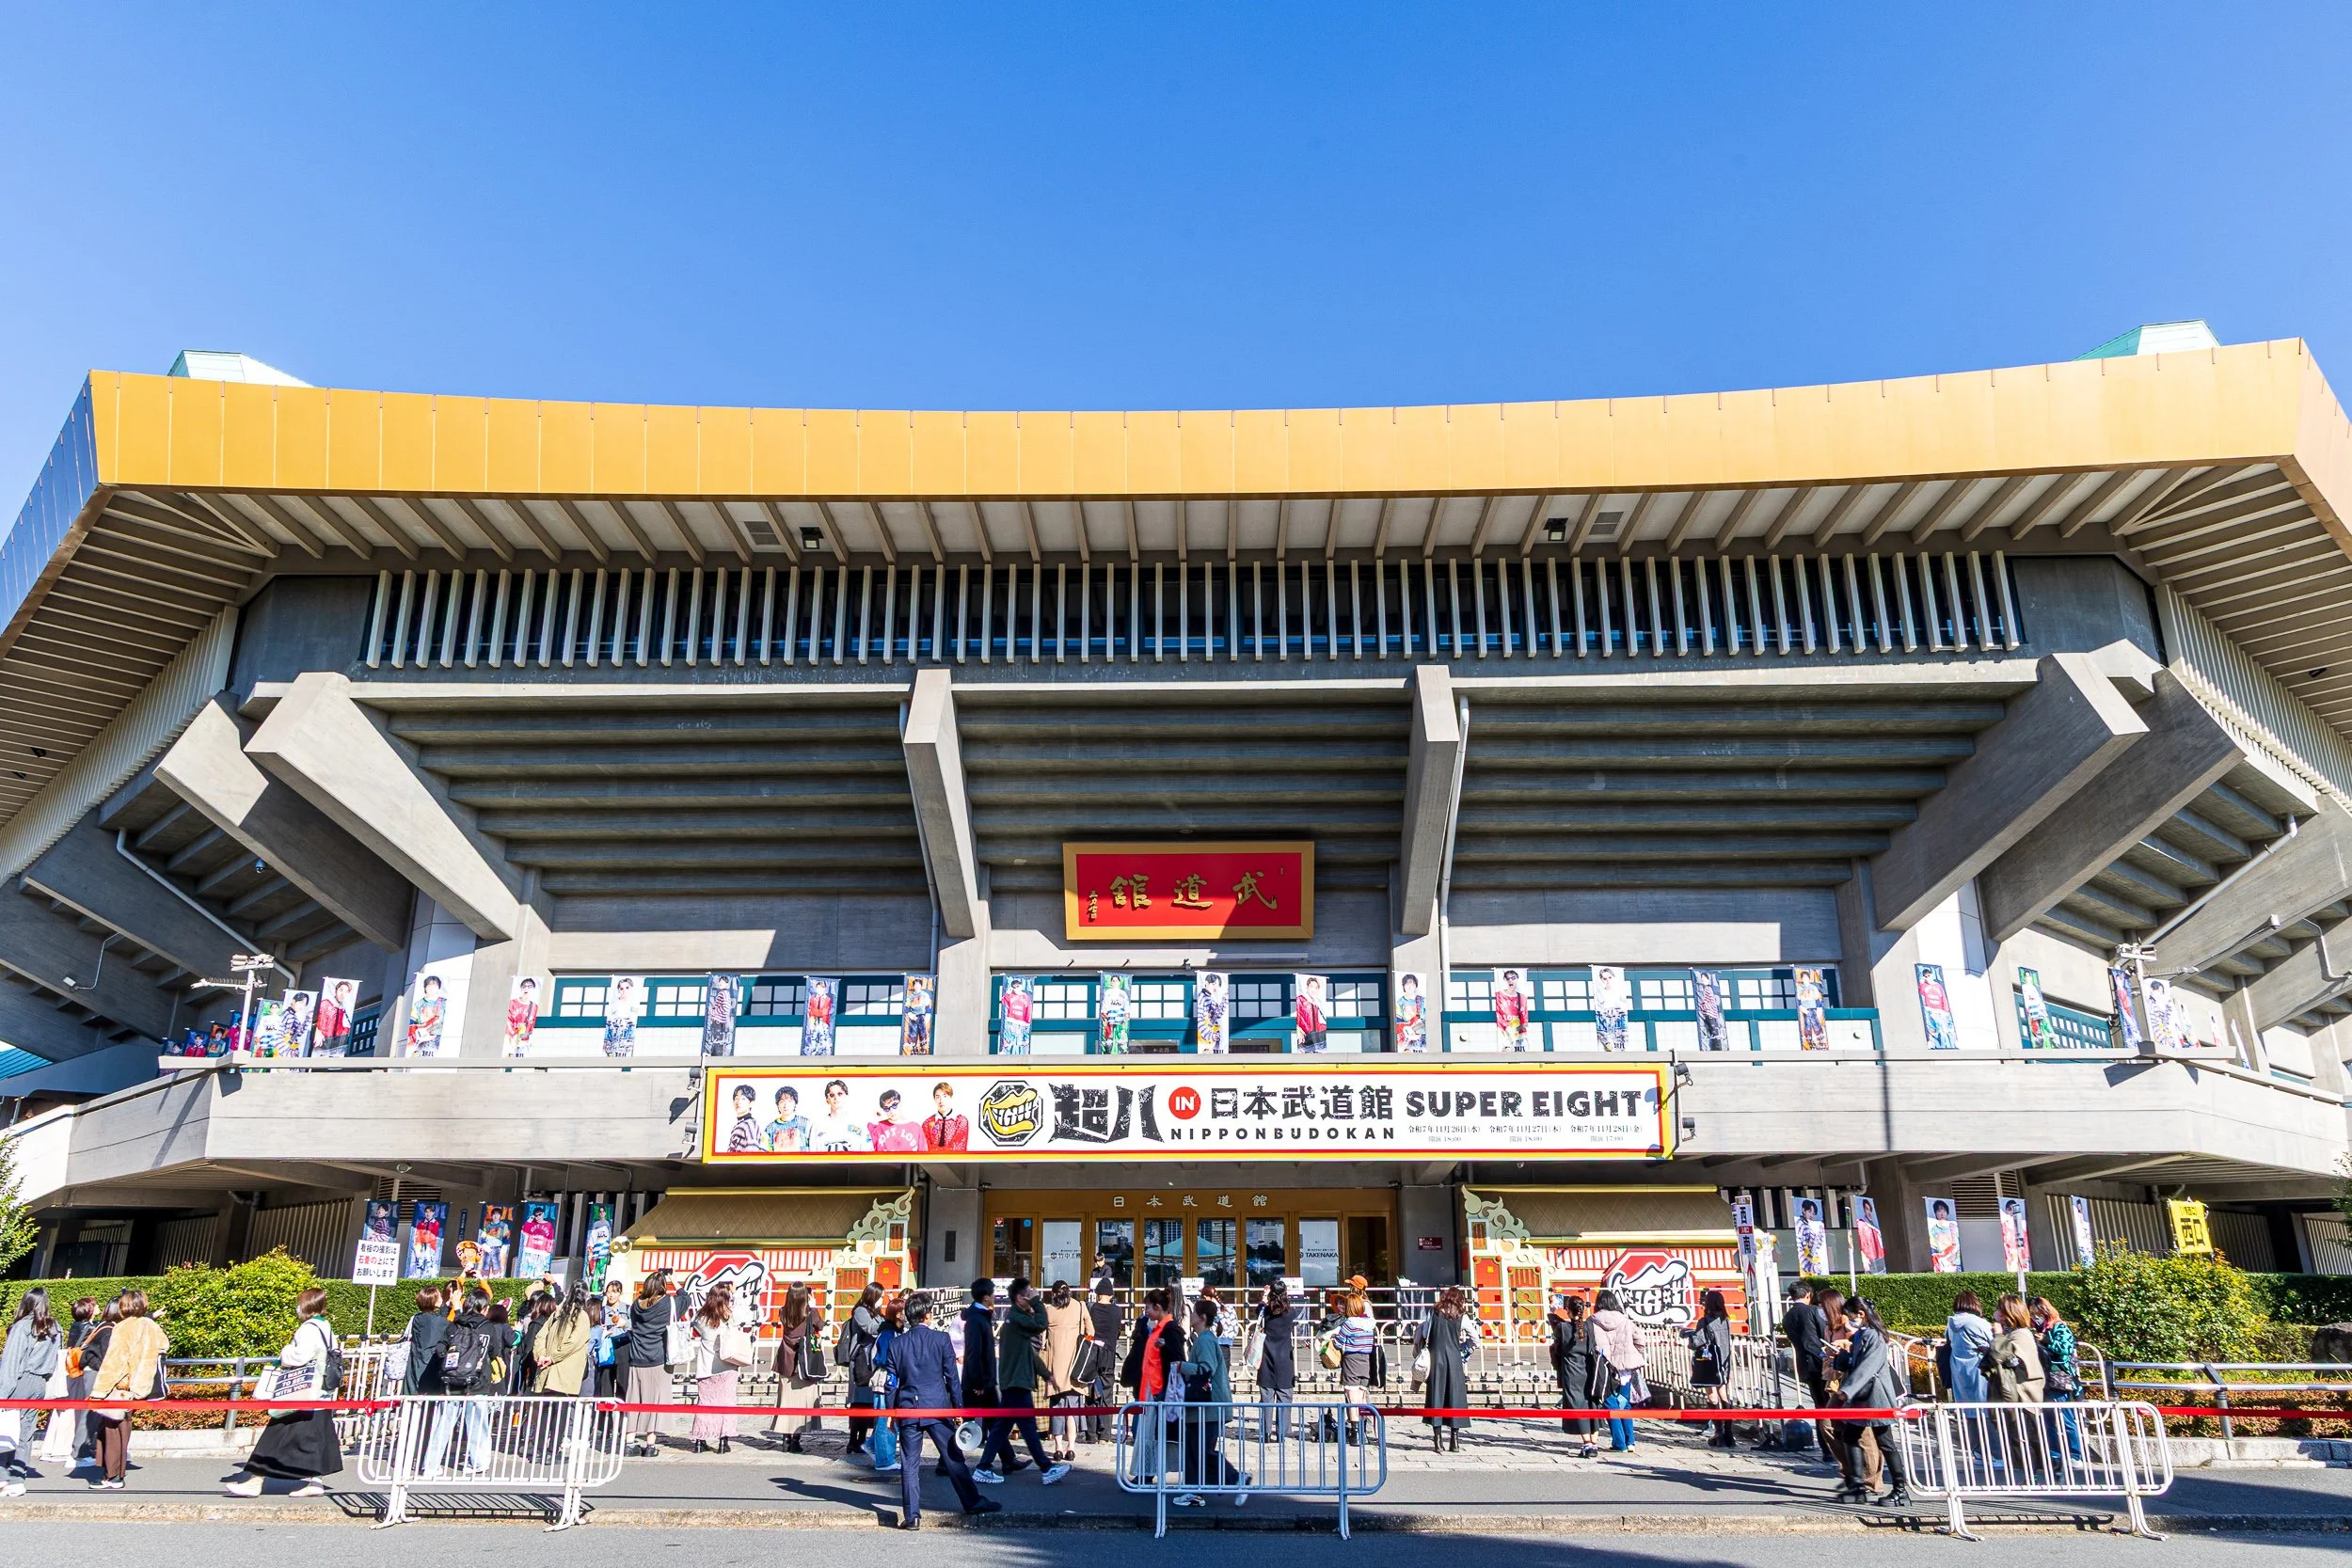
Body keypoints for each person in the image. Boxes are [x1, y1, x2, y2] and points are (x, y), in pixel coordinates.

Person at [883, 1291, 1003, 1528]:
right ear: (928, 1315)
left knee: (909, 1462)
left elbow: (891, 1382)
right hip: (937, 1405)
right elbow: (952, 1378)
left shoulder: (897, 1344)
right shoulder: (941, 1340)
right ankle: (972, 1501)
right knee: (953, 1457)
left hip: (908, 1406)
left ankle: (912, 1515)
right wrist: (959, 1408)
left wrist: (891, 1411)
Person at [226, 1286, 342, 1497]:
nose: (297, 1308)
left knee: (274, 1435)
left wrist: (285, 1351)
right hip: (320, 1394)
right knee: (316, 1440)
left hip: (301, 1392)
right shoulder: (326, 1327)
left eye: (299, 1303)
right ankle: (316, 1483)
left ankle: (255, 1480)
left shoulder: (308, 1329)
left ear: (306, 1305)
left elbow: (299, 1356)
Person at [977, 1277, 1066, 1483]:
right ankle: (1046, 1468)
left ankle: (983, 1466)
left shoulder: (1015, 1320)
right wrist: (1037, 1302)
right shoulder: (1017, 1318)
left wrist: (1046, 1374)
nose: (1033, 1296)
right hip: (1017, 1382)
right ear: (1019, 1298)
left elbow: (1030, 1354)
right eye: (1029, 1294)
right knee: (1027, 1428)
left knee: (1001, 1429)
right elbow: (1042, 1324)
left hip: (1015, 1381)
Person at [1830, 1297, 1912, 1509]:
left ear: (1861, 1314)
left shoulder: (1874, 1336)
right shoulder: (1863, 1335)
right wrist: (1843, 1358)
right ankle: (1857, 1487)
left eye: (1850, 1315)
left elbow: (1868, 1367)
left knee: (1885, 1441)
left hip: (1875, 1396)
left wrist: (1845, 1392)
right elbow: (1857, 1363)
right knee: (1850, 1436)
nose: (1848, 1320)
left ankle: (1900, 1491)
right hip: (1862, 1396)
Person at [88, 1290, 169, 1490]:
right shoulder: (151, 1325)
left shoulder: (123, 1328)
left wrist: (99, 1391)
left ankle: (112, 1475)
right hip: (140, 1386)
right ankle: (116, 1474)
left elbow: (114, 1362)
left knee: (111, 1428)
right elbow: (164, 1346)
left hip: (120, 1385)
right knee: (124, 1428)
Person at [1173, 1296, 1248, 1506]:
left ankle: (1235, 1478)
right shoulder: (1204, 1338)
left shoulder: (1205, 1340)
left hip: (1207, 1406)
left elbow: (1206, 1369)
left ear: (1203, 1317)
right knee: (1196, 1451)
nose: (1191, 1317)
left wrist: (1182, 1366)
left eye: (1194, 1313)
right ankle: (1196, 1491)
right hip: (1205, 1407)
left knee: (1201, 1451)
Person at [423, 1288, 500, 1477]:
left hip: (452, 1382)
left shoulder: (455, 1325)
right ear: (485, 1308)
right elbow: (494, 1352)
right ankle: (477, 1464)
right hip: (477, 1381)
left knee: (443, 1423)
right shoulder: (488, 1327)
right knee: (477, 1424)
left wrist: (450, 1363)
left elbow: (440, 1348)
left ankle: (431, 1466)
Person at [0, 1287, 61, 1493]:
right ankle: (18, 1479)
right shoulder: (55, 1327)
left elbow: (11, 1362)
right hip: (39, 1383)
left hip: (20, 1380)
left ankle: (3, 1475)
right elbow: (53, 1361)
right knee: (25, 1431)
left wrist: (3, 1394)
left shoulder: (22, 1327)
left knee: (6, 1430)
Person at [1585, 1289, 1645, 1453]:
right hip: (1625, 1368)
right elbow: (1640, 1340)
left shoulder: (1592, 1320)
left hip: (1605, 1368)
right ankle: (1630, 1441)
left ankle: (1619, 1443)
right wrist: (1634, 1355)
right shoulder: (1625, 1320)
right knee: (1625, 1404)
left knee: (1610, 1404)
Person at [626, 1272, 677, 1458]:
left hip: (636, 1358)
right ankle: (650, 1444)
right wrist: (673, 1278)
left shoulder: (635, 1306)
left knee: (634, 1400)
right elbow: (685, 1298)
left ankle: (629, 1442)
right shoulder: (667, 1304)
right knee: (654, 1401)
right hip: (657, 1359)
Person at [689, 1282, 744, 1454]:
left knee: (704, 1403)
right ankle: (723, 1441)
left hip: (706, 1366)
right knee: (726, 1403)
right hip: (726, 1366)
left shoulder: (701, 1317)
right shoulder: (729, 1317)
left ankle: (699, 1440)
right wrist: (735, 1297)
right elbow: (744, 1316)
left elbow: (695, 1325)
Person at [770, 1281, 824, 1450]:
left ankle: (785, 1439)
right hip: (804, 1360)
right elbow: (821, 1326)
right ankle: (796, 1441)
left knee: (786, 1401)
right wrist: (813, 1306)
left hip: (785, 1358)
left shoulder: (783, 1312)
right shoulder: (810, 1313)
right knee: (802, 1402)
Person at [1417, 1286, 1470, 1452]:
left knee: (1436, 1397)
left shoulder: (1434, 1312)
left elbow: (1425, 1333)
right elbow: (1475, 1338)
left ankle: (1437, 1440)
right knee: (1456, 1397)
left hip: (1436, 1357)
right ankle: (1455, 1440)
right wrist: (1465, 1348)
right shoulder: (1461, 1315)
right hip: (1454, 1358)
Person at [1782, 1282, 1832, 1459]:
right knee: (1830, 1405)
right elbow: (1824, 1333)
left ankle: (1826, 1449)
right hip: (1821, 1362)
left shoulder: (1787, 1316)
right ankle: (1833, 1446)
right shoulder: (1813, 1312)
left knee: (1819, 1405)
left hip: (1804, 1364)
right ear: (1809, 1294)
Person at [2031, 1295, 2084, 1461]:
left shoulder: (2059, 1327)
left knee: (2067, 1417)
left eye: (2037, 1313)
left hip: (2060, 1377)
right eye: (2031, 1314)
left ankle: (2075, 1455)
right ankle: (2054, 1454)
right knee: (2048, 1419)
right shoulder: (2035, 1330)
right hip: (2044, 1377)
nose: (2035, 1317)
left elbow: (2066, 1349)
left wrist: (2047, 1340)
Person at [1041, 1279, 1089, 1461]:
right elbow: (1090, 1330)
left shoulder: (1049, 1311)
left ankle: (1058, 1448)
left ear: (1053, 1294)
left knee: (1057, 1408)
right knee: (1072, 1409)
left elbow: (1042, 1338)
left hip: (1055, 1369)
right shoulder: (1080, 1307)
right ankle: (1071, 1447)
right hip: (1075, 1368)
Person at [1683, 1288, 1736, 1449]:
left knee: (1712, 1396)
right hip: (1724, 1361)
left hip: (1709, 1363)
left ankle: (1718, 1433)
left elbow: (1698, 1342)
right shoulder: (1725, 1320)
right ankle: (1729, 1434)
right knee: (1724, 1394)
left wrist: (1689, 1336)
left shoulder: (1704, 1321)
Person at [1549, 1295, 1598, 1457]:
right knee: (1592, 1402)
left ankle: (1587, 1443)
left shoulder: (1563, 1328)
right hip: (1588, 1368)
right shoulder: (1589, 1326)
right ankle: (1594, 1441)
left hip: (1571, 1369)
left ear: (1568, 1311)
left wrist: (1551, 1310)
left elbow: (1557, 1348)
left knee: (1577, 1404)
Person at [841, 1281, 886, 1456]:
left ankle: (862, 1439)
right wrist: (888, 1323)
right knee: (859, 1401)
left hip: (873, 1361)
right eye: (881, 1297)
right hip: (861, 1361)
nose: (882, 1300)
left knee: (869, 1402)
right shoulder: (861, 1311)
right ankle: (854, 1440)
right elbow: (870, 1328)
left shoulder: (876, 1313)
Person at [1253, 1282, 1300, 1436]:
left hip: (1267, 1357)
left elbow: (1259, 1308)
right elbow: (1288, 1307)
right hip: (1285, 1359)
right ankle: (1282, 1432)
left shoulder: (1265, 1311)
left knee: (1266, 1396)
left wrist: (1264, 1297)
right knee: (1285, 1397)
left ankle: (1265, 1432)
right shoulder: (1291, 1312)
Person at [533, 1282, 596, 1396]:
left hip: (547, 1372)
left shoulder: (557, 1313)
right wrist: (551, 1358)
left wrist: (541, 1355)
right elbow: (573, 1343)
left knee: (545, 1410)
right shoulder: (581, 1317)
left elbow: (540, 1336)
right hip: (564, 1377)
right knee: (561, 1411)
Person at [1986, 1294, 2045, 1404]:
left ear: (2007, 1314)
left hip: (2024, 1396)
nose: (1996, 1314)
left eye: (1998, 1310)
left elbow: (2002, 1357)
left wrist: (1998, 1335)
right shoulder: (2011, 1334)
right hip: (2014, 1396)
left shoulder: (2020, 1335)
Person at [1085, 1281, 1124, 1443]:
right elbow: (1117, 1332)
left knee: (1091, 1395)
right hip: (1108, 1356)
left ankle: (1091, 1435)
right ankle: (1106, 1435)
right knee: (1107, 1394)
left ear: (1098, 1293)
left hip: (1092, 1355)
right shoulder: (1117, 1311)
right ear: (1111, 1294)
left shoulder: (1091, 1308)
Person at [1944, 1290, 1994, 1404]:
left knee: (1965, 1406)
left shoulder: (1951, 1324)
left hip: (1958, 1368)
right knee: (1984, 1407)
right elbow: (1994, 1341)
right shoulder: (1977, 1322)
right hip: (1980, 1367)